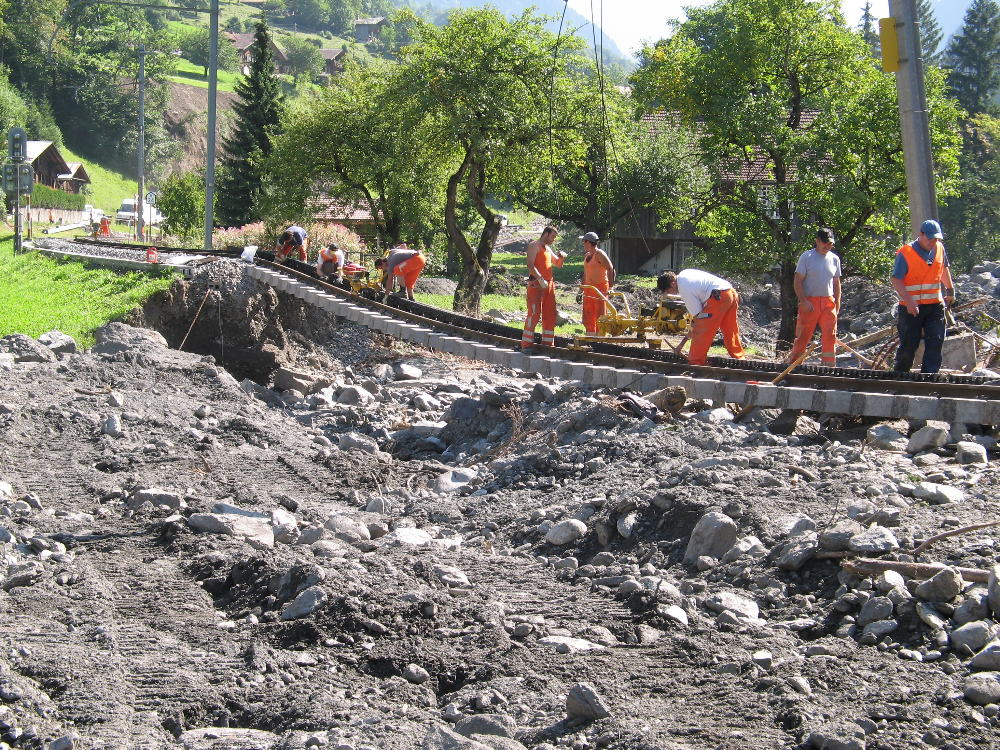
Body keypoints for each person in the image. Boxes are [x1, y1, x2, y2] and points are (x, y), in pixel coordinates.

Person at [891, 219, 955, 374]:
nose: (933, 242)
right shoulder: (906, 253)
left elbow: (943, 270)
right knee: (909, 345)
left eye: (936, 238)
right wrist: (909, 300)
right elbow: (896, 279)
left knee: (936, 340)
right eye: (930, 238)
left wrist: (950, 290)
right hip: (911, 308)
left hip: (935, 305)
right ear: (920, 234)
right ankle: (900, 376)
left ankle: (929, 377)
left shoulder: (939, 248)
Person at [658, 269, 746, 366]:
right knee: (730, 331)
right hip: (730, 293)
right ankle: (740, 360)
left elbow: (698, 317)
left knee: (701, 331)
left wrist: (694, 327)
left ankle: (695, 363)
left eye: (668, 290)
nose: (671, 293)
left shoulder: (684, 288)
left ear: (673, 283)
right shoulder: (685, 273)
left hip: (718, 297)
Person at [789, 228, 842, 367]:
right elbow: (798, 280)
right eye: (825, 243)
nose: (828, 246)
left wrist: (837, 303)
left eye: (830, 243)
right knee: (803, 337)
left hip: (828, 302)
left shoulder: (834, 259)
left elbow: (836, 283)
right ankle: (795, 365)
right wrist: (804, 301)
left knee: (830, 336)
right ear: (817, 241)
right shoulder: (807, 257)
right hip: (810, 302)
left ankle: (828, 368)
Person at [522, 226, 566, 350]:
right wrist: (540, 279)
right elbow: (530, 265)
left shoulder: (548, 249)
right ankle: (526, 345)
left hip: (549, 285)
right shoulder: (534, 245)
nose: (553, 239)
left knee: (550, 314)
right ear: (546, 234)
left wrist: (562, 257)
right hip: (537, 284)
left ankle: (547, 345)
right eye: (552, 236)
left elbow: (558, 264)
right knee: (534, 314)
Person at [580, 231, 616, 335]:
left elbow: (611, 269)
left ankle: (600, 338)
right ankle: (590, 337)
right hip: (589, 289)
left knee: (600, 316)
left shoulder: (599, 254)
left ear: (588, 242)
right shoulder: (587, 256)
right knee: (588, 315)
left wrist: (611, 287)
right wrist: (581, 290)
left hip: (600, 289)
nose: (583, 244)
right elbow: (585, 274)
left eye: (584, 242)